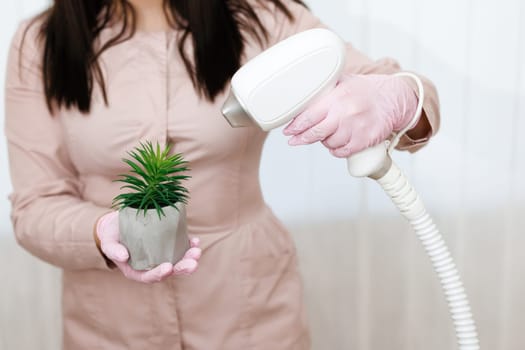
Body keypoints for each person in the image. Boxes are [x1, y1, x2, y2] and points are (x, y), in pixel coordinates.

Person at [4, 0, 439, 349]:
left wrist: (397, 98)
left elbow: (400, 90)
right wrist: (100, 233)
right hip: (108, 325)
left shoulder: (264, 17)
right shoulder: (40, 43)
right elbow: (34, 205)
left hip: (249, 310)